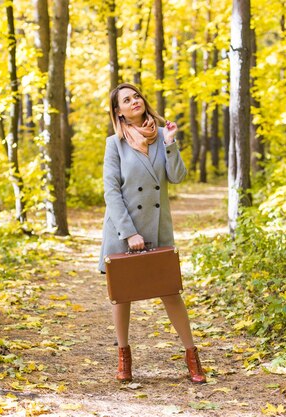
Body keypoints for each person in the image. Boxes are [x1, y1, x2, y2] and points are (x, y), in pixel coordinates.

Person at [98, 82, 207, 384]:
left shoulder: (161, 136)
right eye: (126, 100)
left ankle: (192, 356)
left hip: (157, 226)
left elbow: (177, 177)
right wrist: (129, 232)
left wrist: (171, 143)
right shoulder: (114, 143)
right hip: (123, 228)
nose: (134, 101)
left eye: (137, 96)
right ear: (118, 112)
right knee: (122, 297)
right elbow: (111, 191)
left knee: (171, 292)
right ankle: (123, 358)